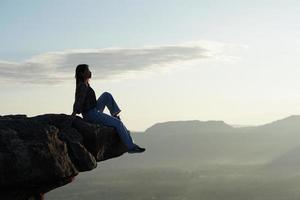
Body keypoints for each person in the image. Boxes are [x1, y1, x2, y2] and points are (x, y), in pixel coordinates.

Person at [71, 64, 145, 153]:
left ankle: (115, 115)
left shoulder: (86, 84)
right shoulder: (82, 86)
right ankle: (131, 147)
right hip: (90, 114)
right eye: (87, 71)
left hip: (93, 110)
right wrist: (73, 114)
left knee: (106, 95)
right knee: (118, 124)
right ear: (82, 73)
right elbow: (79, 101)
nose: (90, 72)